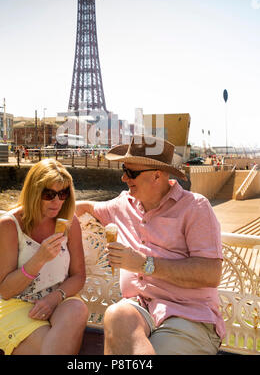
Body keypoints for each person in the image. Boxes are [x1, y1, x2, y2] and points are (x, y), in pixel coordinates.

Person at [75, 135, 225, 355]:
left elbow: (210, 274)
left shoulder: (196, 208)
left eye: (131, 173)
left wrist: (145, 264)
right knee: (116, 314)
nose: (124, 178)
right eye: (124, 170)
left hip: (188, 316)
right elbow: (85, 207)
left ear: (157, 176)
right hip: (138, 308)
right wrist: (20, 215)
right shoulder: (122, 204)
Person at [0, 159, 88, 355]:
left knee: (77, 309)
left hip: (57, 298)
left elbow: (78, 276)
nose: (57, 201)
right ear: (34, 192)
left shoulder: (68, 222)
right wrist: (39, 259)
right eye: (49, 194)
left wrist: (53, 299)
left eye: (63, 193)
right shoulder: (10, 225)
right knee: (54, 349)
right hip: (12, 304)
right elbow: (6, 290)